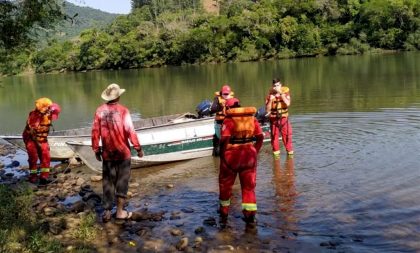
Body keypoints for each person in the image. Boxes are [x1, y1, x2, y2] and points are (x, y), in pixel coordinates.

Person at [91, 83, 144, 223]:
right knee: (122, 182)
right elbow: (130, 131)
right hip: (122, 153)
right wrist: (138, 148)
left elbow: (95, 132)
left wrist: (96, 149)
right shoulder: (123, 111)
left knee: (108, 182)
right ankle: (120, 212)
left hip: (108, 154)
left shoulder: (99, 111)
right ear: (119, 96)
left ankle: (107, 212)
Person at [218, 98, 264, 226]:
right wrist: (255, 151)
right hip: (249, 156)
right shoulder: (252, 119)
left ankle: (224, 213)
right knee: (249, 188)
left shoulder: (228, 120)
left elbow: (224, 140)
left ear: (228, 108)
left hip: (231, 158)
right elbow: (260, 137)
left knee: (225, 185)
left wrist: (222, 155)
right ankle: (250, 218)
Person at [22, 98, 61, 185]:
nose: (52, 115)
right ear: (44, 108)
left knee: (46, 156)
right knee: (33, 157)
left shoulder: (49, 113)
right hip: (31, 138)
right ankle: (33, 177)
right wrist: (39, 144)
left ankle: (44, 176)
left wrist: (43, 143)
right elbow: (32, 132)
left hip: (42, 139)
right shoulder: (34, 116)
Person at [265, 78, 294, 159]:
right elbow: (267, 110)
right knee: (274, 137)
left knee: (287, 136)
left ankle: (290, 155)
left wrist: (281, 94)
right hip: (274, 119)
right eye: (274, 86)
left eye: (278, 85)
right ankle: (276, 156)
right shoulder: (269, 96)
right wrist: (271, 100)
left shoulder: (285, 93)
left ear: (281, 85)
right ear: (272, 86)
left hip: (284, 119)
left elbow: (288, 103)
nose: (276, 87)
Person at [210, 84, 235, 156]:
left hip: (229, 122)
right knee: (217, 141)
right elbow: (212, 109)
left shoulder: (233, 99)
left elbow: (238, 108)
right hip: (219, 122)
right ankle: (217, 153)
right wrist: (221, 106)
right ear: (221, 93)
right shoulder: (217, 99)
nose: (226, 95)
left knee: (229, 140)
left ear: (230, 93)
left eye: (227, 93)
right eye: (224, 93)